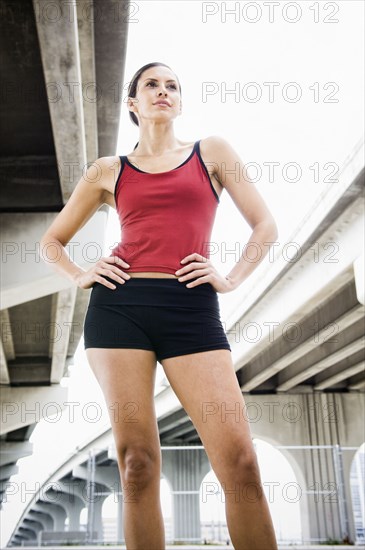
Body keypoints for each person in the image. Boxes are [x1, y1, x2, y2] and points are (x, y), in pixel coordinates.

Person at [40, 61, 279, 550]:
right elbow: (51, 241)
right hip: (118, 310)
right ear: (133, 103)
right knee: (137, 464)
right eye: (152, 84)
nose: (163, 91)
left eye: (172, 85)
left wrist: (229, 277)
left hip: (191, 308)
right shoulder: (108, 170)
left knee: (240, 461)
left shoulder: (211, 152)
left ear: (180, 101)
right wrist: (82, 274)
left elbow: (265, 226)